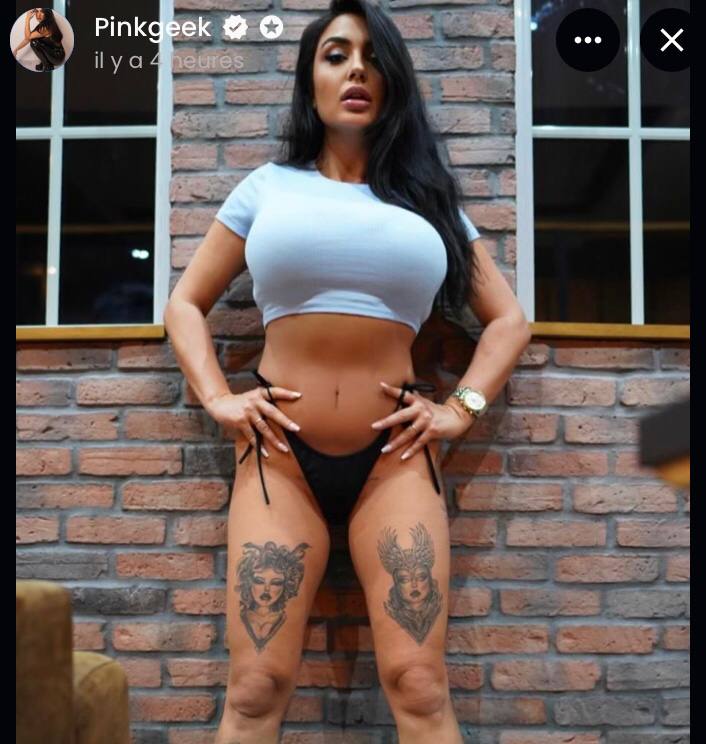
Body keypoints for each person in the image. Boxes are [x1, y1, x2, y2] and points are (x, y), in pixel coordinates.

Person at [163, 0, 532, 740]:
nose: (356, 70)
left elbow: (509, 321)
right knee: (256, 686)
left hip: (395, 460)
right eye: (335, 55)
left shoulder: (428, 201)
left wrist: (459, 410)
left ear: (392, 80)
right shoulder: (268, 187)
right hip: (279, 459)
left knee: (419, 684)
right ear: (311, 80)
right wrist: (218, 398)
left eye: (372, 58)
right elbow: (185, 303)